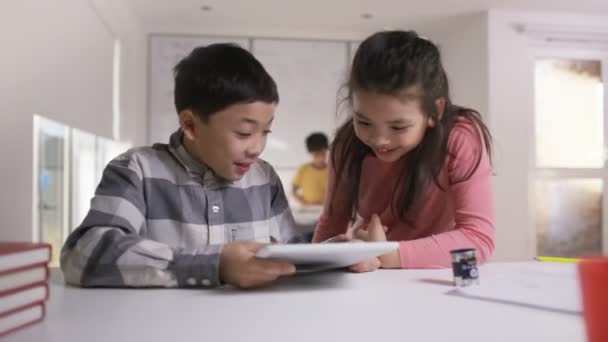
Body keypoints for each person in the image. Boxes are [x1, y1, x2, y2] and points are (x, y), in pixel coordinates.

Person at [61, 44, 301, 289]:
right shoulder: (138, 171)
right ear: (191, 125)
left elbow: (293, 256)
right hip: (163, 325)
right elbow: (84, 255)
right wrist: (214, 265)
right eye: (244, 132)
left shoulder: (265, 178)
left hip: (252, 324)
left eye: (266, 131)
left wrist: (331, 254)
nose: (257, 147)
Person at [312, 30, 495, 273]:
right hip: (376, 275)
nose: (379, 140)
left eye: (398, 126)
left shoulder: (461, 137)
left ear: (435, 111)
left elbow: (478, 241)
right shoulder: (347, 145)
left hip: (443, 274)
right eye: (364, 122)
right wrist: (324, 261)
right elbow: (331, 224)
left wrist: (382, 253)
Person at [291, 132, 329, 206]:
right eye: (316, 155)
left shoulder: (331, 170)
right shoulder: (303, 169)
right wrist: (302, 202)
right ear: (310, 153)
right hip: (307, 208)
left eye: (323, 153)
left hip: (326, 208)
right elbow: (293, 190)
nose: (321, 158)